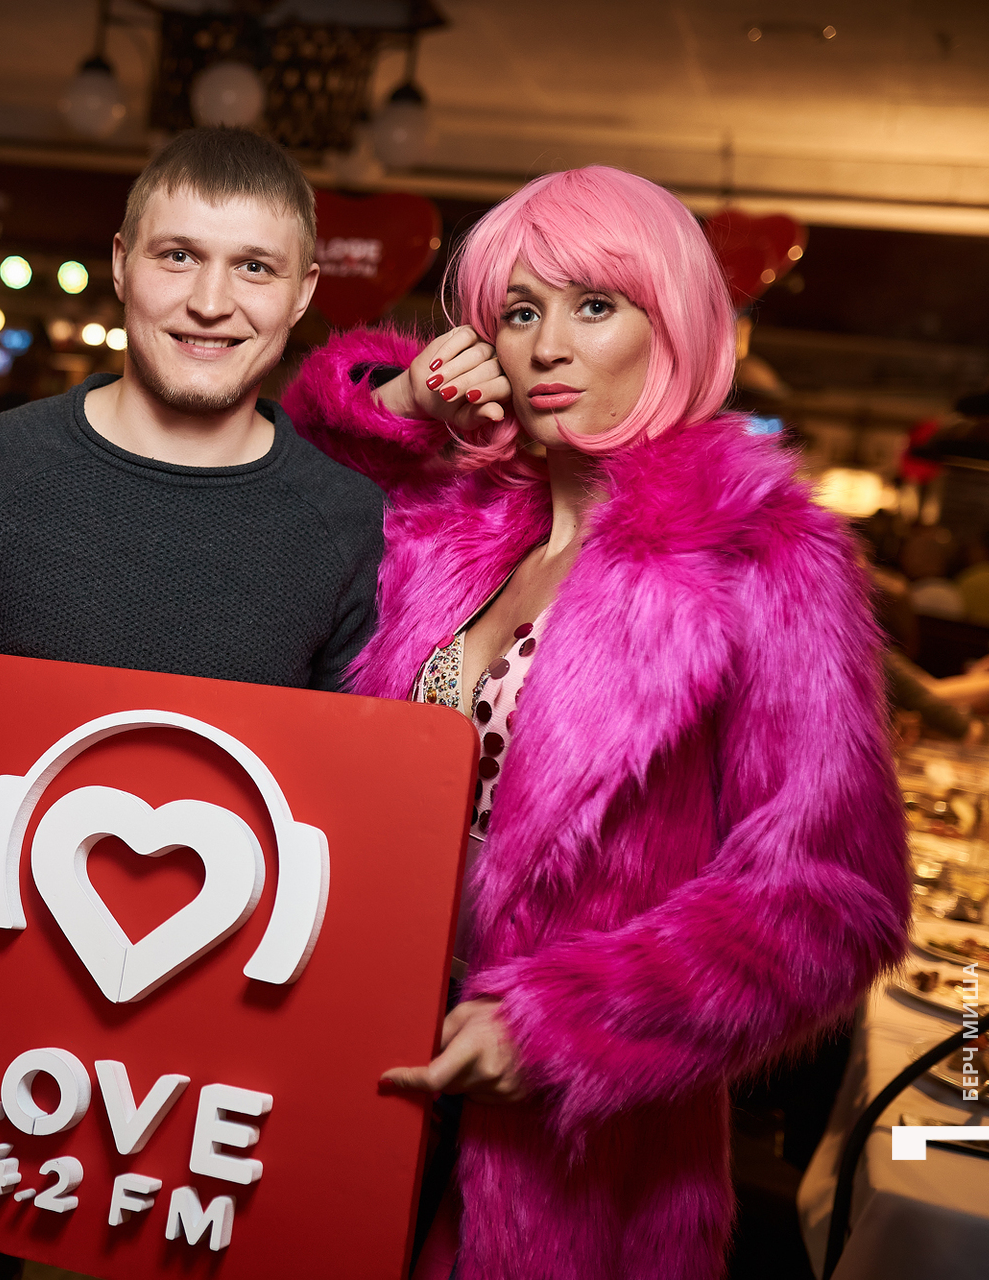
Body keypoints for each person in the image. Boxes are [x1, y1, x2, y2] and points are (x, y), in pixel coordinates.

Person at [280, 165, 909, 1280]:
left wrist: (562, 1025)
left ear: (672, 325)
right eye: (520, 313)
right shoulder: (458, 521)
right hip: (352, 1064)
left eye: (595, 306)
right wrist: (404, 401)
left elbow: (829, 897)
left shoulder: (764, 558)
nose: (547, 347)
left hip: (571, 1158)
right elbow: (285, 514)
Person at [0, 126, 386, 1278]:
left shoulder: (348, 522)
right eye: (178, 255)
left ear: (305, 291)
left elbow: (343, 824)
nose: (210, 301)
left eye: (254, 267)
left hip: (217, 1076)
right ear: (120, 262)